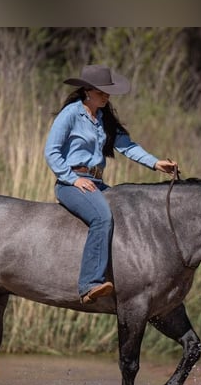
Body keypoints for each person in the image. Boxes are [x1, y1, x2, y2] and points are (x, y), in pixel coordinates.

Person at [44, 64, 178, 304]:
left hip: (96, 182)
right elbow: (51, 152)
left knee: (127, 214)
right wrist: (73, 179)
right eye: (101, 91)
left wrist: (156, 163)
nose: (107, 96)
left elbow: (127, 146)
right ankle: (89, 284)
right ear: (87, 90)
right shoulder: (71, 114)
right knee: (102, 218)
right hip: (70, 184)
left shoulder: (104, 118)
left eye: (108, 91)